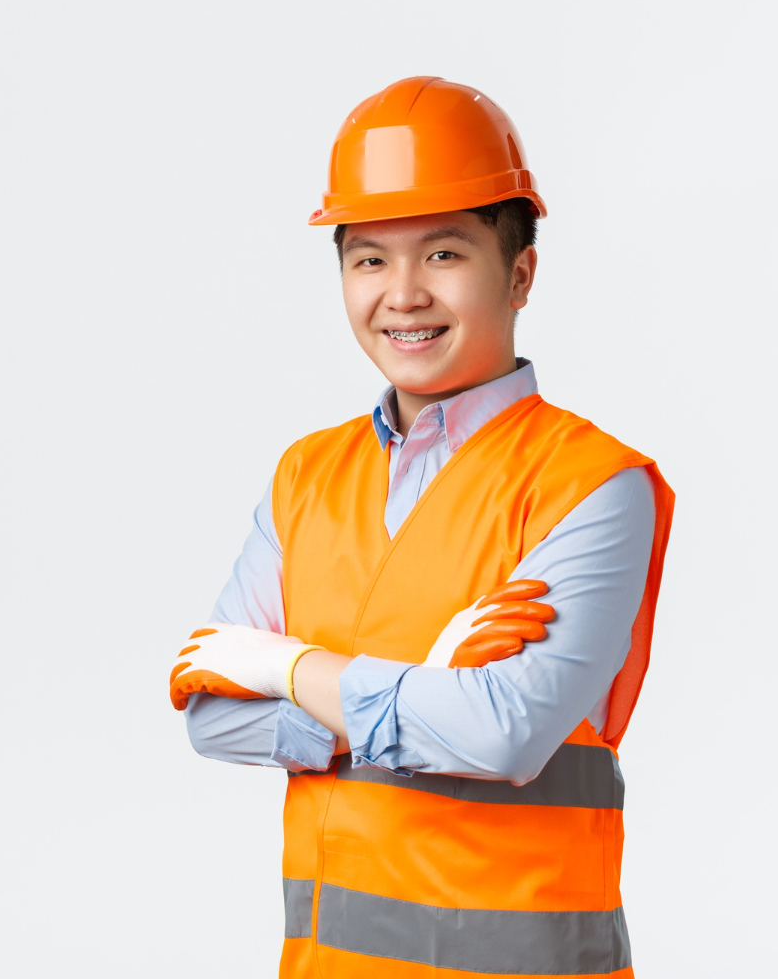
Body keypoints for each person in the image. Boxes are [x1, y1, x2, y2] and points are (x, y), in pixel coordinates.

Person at [170, 75, 675, 979]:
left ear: (519, 273)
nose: (402, 295)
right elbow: (211, 716)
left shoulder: (592, 484)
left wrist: (287, 668)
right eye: (369, 260)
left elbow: (506, 736)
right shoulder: (306, 476)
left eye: (443, 253)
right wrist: (425, 701)